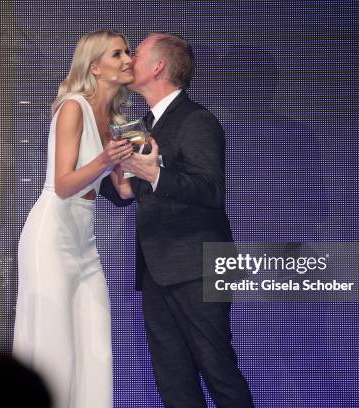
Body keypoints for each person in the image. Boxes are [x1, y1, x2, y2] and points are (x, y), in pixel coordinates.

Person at [100, 33, 254, 407]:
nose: (128, 60)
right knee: (172, 379)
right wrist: (106, 166)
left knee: (217, 370)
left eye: (136, 53)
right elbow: (125, 194)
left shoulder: (196, 119)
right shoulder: (144, 124)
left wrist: (154, 174)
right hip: (157, 267)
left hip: (197, 267)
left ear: (158, 67)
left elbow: (210, 189)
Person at [13, 30, 135, 408]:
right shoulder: (73, 106)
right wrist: (106, 160)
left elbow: (126, 192)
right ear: (95, 67)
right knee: (55, 352)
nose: (128, 59)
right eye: (118, 54)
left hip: (85, 238)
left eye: (128, 52)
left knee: (97, 352)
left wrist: (146, 160)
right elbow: (63, 184)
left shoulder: (116, 119)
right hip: (52, 233)